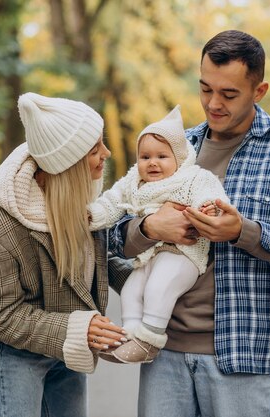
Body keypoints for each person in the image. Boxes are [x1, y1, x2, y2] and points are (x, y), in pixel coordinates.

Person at [110, 30, 270, 416]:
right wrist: (149, 229)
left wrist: (243, 232)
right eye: (205, 89)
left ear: (259, 90)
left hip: (241, 356)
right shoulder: (173, 149)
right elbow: (114, 233)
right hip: (162, 350)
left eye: (229, 94)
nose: (213, 104)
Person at [0, 92, 132, 417]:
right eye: (95, 149)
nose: (107, 154)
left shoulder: (83, 192)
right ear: (68, 165)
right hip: (17, 354)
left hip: (70, 350)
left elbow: (100, 260)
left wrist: (150, 287)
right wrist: (79, 329)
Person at [87, 105, 228, 364]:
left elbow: (213, 196)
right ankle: (129, 335)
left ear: (179, 158)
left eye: (162, 156)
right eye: (145, 156)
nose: (152, 162)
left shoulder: (193, 177)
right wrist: (92, 215)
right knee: (130, 289)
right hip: (149, 255)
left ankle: (149, 340)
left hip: (184, 254)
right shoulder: (133, 181)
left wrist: (210, 209)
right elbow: (113, 201)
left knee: (158, 287)